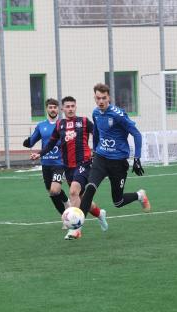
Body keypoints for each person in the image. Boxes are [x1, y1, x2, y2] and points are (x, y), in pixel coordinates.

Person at [75, 83, 150, 240]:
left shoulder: (118, 115)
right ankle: (77, 228)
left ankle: (140, 195)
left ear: (109, 97)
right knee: (89, 188)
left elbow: (136, 134)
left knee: (118, 201)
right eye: (98, 98)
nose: (101, 101)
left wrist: (137, 158)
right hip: (101, 159)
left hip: (118, 162)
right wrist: (94, 151)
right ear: (94, 98)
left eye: (104, 98)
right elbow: (96, 133)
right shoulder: (96, 113)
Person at [31, 96, 108, 240]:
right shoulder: (60, 124)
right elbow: (51, 144)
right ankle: (99, 213)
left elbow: (99, 134)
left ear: (76, 107)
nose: (70, 109)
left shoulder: (84, 122)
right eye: (67, 106)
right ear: (63, 109)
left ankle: (75, 229)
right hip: (68, 167)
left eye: (73, 106)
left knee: (73, 192)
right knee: (83, 199)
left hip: (84, 164)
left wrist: (100, 152)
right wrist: (39, 154)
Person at [23, 99, 71, 218]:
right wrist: (27, 143)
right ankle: (64, 217)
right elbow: (32, 141)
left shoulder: (63, 124)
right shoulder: (41, 126)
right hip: (46, 163)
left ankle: (67, 203)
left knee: (55, 189)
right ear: (46, 109)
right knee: (51, 192)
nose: (53, 109)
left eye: (55, 107)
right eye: (50, 107)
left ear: (58, 109)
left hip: (59, 163)